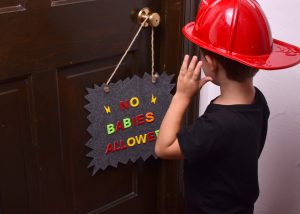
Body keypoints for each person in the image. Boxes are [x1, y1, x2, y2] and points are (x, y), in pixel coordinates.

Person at [155, 0, 300, 213]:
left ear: (211, 64)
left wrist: (182, 96)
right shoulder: (258, 101)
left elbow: (163, 148)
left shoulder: (215, 125)